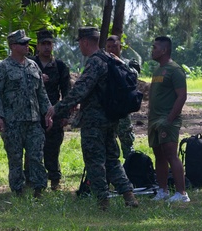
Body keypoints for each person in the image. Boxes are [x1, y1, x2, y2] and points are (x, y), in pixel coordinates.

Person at [46, 27, 139, 210]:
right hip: (111, 117)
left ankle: (102, 200)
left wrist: (55, 109)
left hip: (94, 121)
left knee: (94, 160)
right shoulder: (109, 58)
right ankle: (128, 194)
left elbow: (80, 90)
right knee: (112, 158)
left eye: (80, 42)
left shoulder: (95, 62)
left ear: (85, 42)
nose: (80, 46)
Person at [0, 30, 53, 198]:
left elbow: (41, 93)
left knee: (36, 156)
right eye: (23, 43)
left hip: (33, 121)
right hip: (13, 123)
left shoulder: (33, 66)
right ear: (13, 46)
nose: (27, 46)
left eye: (27, 43)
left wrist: (48, 113)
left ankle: (38, 190)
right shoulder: (3, 68)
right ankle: (18, 191)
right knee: (15, 158)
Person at [28, 29, 72, 190]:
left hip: (54, 113)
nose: (47, 47)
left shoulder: (60, 66)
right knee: (33, 148)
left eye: (49, 43)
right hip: (33, 113)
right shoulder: (30, 64)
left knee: (53, 148)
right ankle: (31, 180)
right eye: (43, 44)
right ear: (38, 46)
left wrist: (66, 114)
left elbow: (66, 91)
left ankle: (54, 179)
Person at [148, 35, 189, 203]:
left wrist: (170, 118)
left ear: (164, 50)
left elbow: (182, 96)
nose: (153, 50)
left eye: (155, 47)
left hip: (167, 119)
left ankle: (182, 193)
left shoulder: (175, 70)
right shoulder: (158, 70)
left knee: (171, 154)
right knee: (159, 155)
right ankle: (163, 190)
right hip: (154, 120)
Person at [105, 34, 140, 159]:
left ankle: (130, 168)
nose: (111, 50)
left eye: (114, 47)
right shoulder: (102, 64)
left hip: (123, 108)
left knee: (126, 139)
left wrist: (119, 63)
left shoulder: (128, 63)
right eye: (108, 47)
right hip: (108, 108)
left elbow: (134, 76)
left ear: (120, 47)